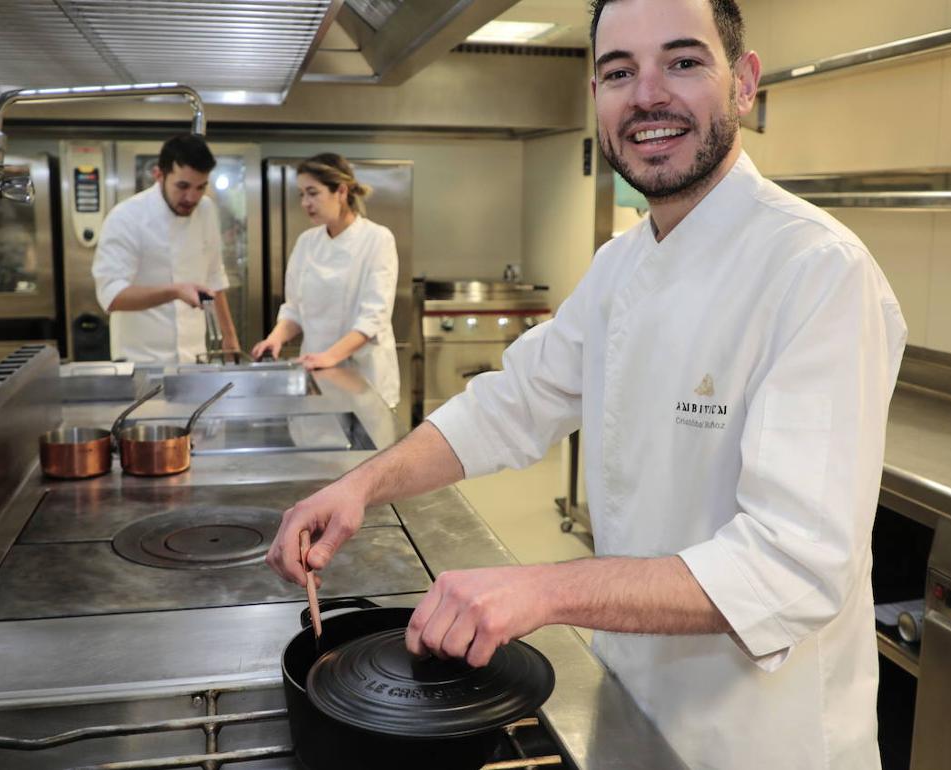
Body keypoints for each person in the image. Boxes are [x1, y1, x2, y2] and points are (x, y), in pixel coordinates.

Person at [265, 1, 907, 768]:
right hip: (628, 705)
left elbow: (794, 567)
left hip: (760, 739)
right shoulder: (621, 264)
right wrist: (362, 487)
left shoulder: (817, 271)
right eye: (617, 72)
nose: (646, 96)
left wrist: (543, 589)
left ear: (743, 83)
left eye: (683, 61)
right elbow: (509, 406)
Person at [250, 154, 401, 409]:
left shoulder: (377, 239)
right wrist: (275, 338)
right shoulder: (307, 242)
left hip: (365, 378)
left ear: (341, 191)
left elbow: (373, 318)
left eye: (313, 193)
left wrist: (329, 357)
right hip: (316, 374)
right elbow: (294, 309)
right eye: (301, 195)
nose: (305, 203)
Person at [93, 134, 241, 364]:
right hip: (139, 361)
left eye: (200, 187)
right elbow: (112, 296)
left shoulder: (206, 210)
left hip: (195, 358)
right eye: (182, 186)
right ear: (159, 175)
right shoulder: (126, 218)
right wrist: (174, 291)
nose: (192, 197)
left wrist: (229, 338)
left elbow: (214, 277)